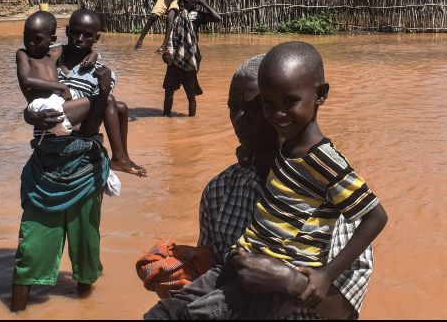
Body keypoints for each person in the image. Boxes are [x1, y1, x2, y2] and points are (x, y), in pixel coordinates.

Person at [145, 44, 388, 319]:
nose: (240, 120)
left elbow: (346, 312)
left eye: (253, 108)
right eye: (233, 108)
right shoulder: (219, 191)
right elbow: (218, 272)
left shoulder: (330, 193)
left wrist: (290, 282)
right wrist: (187, 266)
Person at [16, 11, 145, 177]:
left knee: (117, 105)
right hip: (47, 146)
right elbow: (32, 100)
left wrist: (104, 91)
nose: (79, 38)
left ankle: (121, 157)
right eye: (75, 32)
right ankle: (120, 158)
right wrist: (30, 116)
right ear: (67, 31)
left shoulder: (102, 74)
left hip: (81, 145)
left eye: (87, 35)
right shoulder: (47, 57)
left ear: (96, 38)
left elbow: (90, 128)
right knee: (111, 102)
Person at [161, 0, 221, 117]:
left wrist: (202, 2)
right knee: (168, 93)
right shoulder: (174, 13)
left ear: (192, 3)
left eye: (185, 1)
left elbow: (217, 18)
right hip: (174, 60)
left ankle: (192, 121)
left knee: (191, 96)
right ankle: (166, 119)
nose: (182, 3)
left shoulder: (197, 15)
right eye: (180, 0)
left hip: (189, 60)